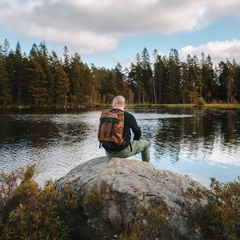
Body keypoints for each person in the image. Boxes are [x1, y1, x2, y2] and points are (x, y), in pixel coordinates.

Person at [104, 95, 150, 162]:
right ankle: (147, 166)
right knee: (146, 144)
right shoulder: (128, 116)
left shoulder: (106, 115)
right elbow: (138, 132)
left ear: (114, 104)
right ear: (124, 104)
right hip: (122, 152)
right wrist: (135, 142)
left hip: (108, 152)